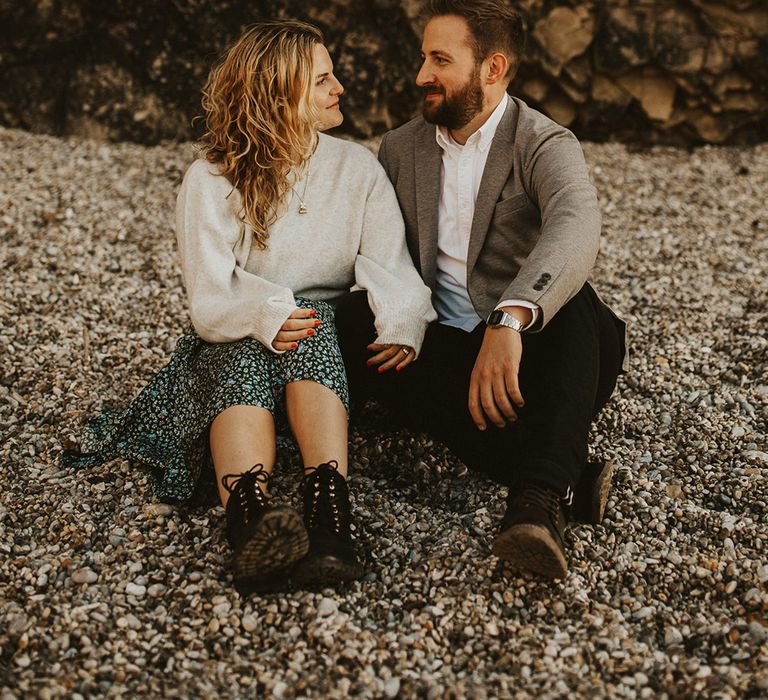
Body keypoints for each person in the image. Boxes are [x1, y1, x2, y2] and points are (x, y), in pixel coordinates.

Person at [64, 20, 435, 594]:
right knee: (240, 351)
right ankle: (251, 518)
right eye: (321, 80)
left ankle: (329, 517)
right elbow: (210, 298)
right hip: (234, 326)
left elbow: (390, 264)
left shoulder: (356, 168)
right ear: (278, 95)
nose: (340, 87)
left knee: (309, 329)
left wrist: (402, 323)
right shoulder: (211, 179)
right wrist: (266, 316)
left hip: (318, 339)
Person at [335, 0, 627, 580]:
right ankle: (563, 475)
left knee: (579, 309)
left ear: (492, 69)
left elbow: (576, 223)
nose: (422, 75)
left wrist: (511, 320)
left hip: (530, 355)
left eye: (440, 59)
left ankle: (536, 504)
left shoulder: (545, 142)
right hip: (436, 347)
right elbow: (367, 248)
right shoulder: (399, 148)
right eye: (423, 57)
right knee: (347, 318)